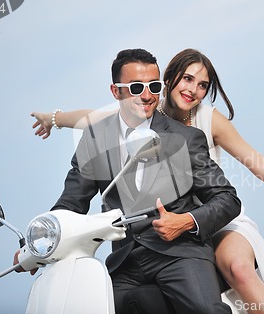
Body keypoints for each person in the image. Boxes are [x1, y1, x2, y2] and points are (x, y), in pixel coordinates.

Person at [32, 49, 264, 314]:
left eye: (203, 84)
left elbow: (259, 166)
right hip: (139, 243)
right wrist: (51, 118)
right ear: (170, 81)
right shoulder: (130, 111)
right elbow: (87, 122)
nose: (193, 90)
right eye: (188, 79)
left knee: (238, 270)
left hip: (212, 218)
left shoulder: (202, 124)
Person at [28, 48, 242, 314]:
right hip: (125, 262)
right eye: (136, 87)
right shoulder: (95, 140)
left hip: (179, 254)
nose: (146, 95)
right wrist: (35, 245)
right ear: (115, 91)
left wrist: (186, 221)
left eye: (153, 86)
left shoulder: (186, 138)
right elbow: (70, 203)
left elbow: (227, 199)